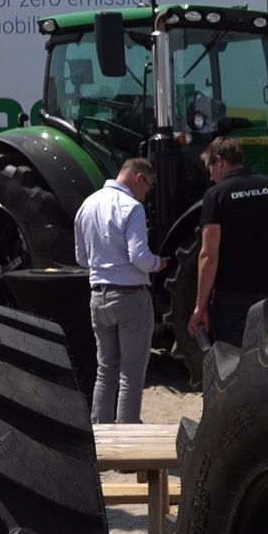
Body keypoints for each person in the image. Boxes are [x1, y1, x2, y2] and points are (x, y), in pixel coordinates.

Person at [188, 137, 268, 348]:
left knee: (232, 362)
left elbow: (208, 256)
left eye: (209, 167)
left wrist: (199, 307)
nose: (210, 176)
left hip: (232, 301)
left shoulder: (216, 195)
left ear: (219, 161)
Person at [74, 158, 165, 424]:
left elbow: (81, 258)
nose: (145, 194)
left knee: (105, 371)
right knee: (131, 375)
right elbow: (139, 257)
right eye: (148, 186)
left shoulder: (87, 205)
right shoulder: (132, 207)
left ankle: (100, 434)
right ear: (138, 177)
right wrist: (158, 263)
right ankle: (126, 436)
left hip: (98, 297)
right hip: (131, 297)